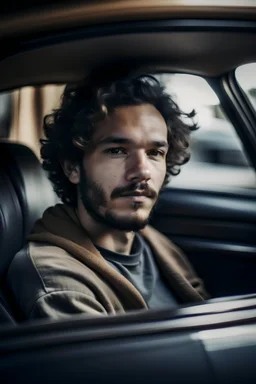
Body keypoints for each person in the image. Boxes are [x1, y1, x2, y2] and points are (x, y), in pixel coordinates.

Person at [7, 68, 209, 321]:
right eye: (117, 150)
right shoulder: (55, 280)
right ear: (72, 167)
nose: (142, 170)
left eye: (155, 153)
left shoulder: (153, 242)